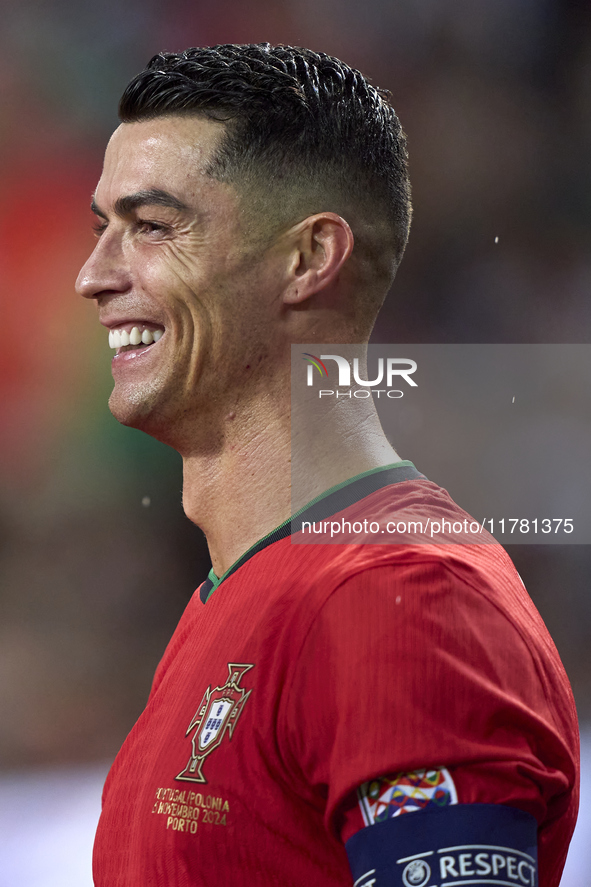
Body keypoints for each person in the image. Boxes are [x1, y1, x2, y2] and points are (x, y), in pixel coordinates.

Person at [75, 44, 579, 887]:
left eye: (153, 226)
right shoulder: (246, 593)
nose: (93, 276)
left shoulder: (402, 598)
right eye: (104, 230)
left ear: (308, 259)